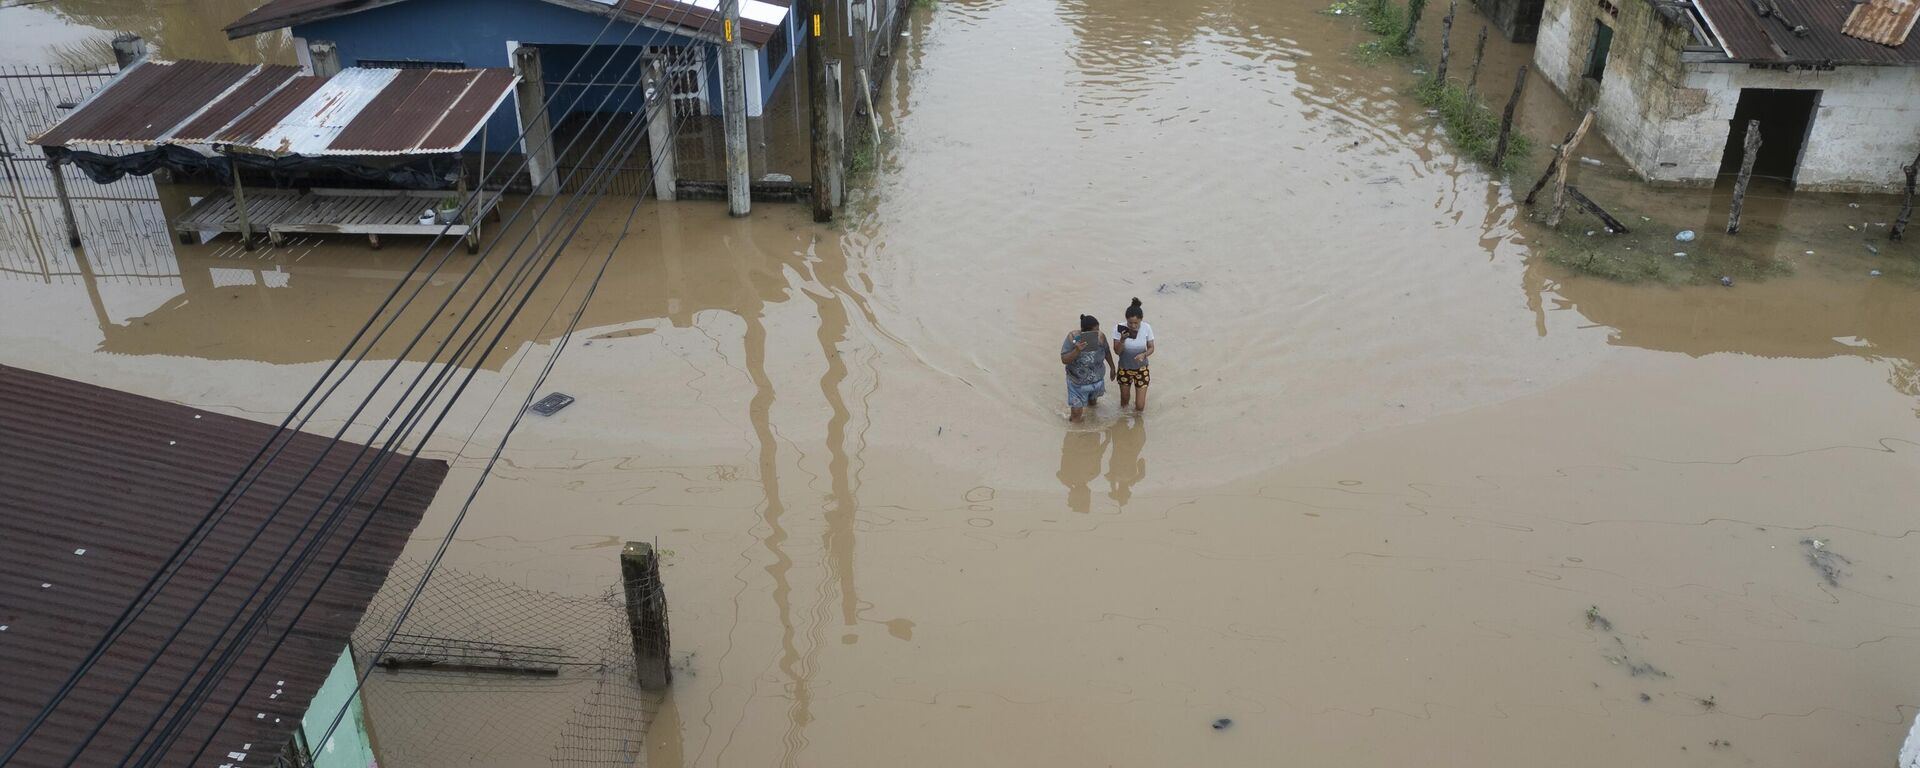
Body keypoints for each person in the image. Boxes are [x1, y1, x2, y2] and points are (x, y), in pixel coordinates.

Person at [1059, 314, 1113, 422]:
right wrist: (1077, 350)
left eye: (1098, 329)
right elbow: (1064, 360)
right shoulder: (1072, 338)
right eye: (1095, 331)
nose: (1097, 333)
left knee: (1093, 406)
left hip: (1096, 382)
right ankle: (1075, 435)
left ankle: (1091, 432)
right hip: (1077, 384)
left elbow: (1107, 351)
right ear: (1084, 332)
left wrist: (1113, 367)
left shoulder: (1101, 336)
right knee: (1076, 416)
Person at [1112, 297, 1154, 412]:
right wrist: (1122, 340)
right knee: (1124, 402)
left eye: (1136, 323)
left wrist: (1144, 355)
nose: (1133, 326)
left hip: (1141, 369)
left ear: (1141, 320)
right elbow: (1117, 352)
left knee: (1140, 407)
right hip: (1124, 369)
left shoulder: (1147, 328)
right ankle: (1125, 425)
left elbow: (1151, 348)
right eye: (1130, 323)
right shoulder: (1118, 328)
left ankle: (1137, 425)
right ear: (1126, 320)